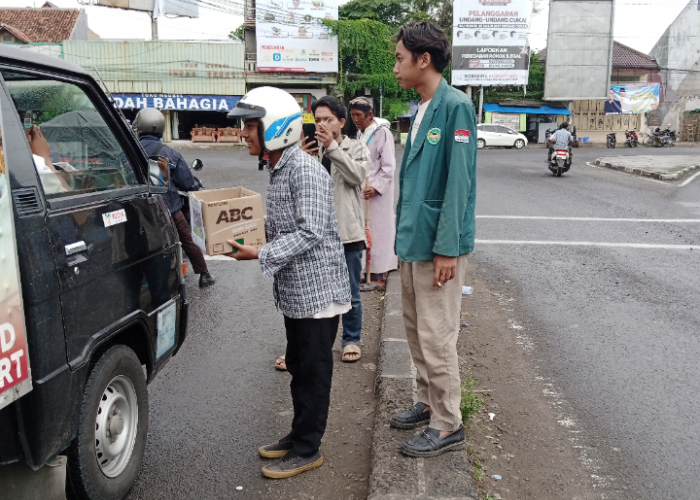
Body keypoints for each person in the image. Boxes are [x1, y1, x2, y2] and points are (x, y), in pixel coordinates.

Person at [226, 86, 351, 479]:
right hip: (297, 293)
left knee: (313, 374)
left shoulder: (305, 169)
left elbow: (310, 231)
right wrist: (245, 234)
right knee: (298, 365)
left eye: (251, 125)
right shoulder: (280, 167)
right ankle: (297, 436)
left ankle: (308, 449)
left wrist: (259, 253)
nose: (244, 133)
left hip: (317, 295)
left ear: (275, 127)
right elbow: (282, 224)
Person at [390, 21, 477, 458]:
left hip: (437, 246)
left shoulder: (456, 106)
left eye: (400, 58)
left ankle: (448, 423)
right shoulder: (420, 108)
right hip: (412, 242)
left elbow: (458, 182)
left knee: (438, 335)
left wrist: (448, 247)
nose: (395, 67)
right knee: (415, 331)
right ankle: (426, 400)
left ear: (425, 59)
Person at [301, 95, 369, 363]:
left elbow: (356, 176)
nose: (322, 124)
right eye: (317, 120)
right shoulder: (312, 150)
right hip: (317, 233)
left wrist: (331, 148)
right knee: (316, 291)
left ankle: (351, 339)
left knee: (350, 291)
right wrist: (303, 161)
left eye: (328, 119)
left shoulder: (356, 148)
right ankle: (315, 344)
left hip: (347, 232)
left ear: (341, 122)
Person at [134, 108, 216, 288]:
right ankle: (204, 274)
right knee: (187, 239)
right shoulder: (169, 153)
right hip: (168, 207)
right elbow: (186, 182)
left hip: (138, 209)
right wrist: (195, 184)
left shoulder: (130, 149)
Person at [349, 96, 398, 287]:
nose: (355, 119)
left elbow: (388, 166)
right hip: (362, 191)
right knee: (364, 232)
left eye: (359, 115)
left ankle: (378, 274)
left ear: (370, 114)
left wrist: (375, 188)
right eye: (352, 115)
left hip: (375, 194)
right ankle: (366, 270)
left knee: (378, 232)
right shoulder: (361, 133)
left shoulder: (382, 132)